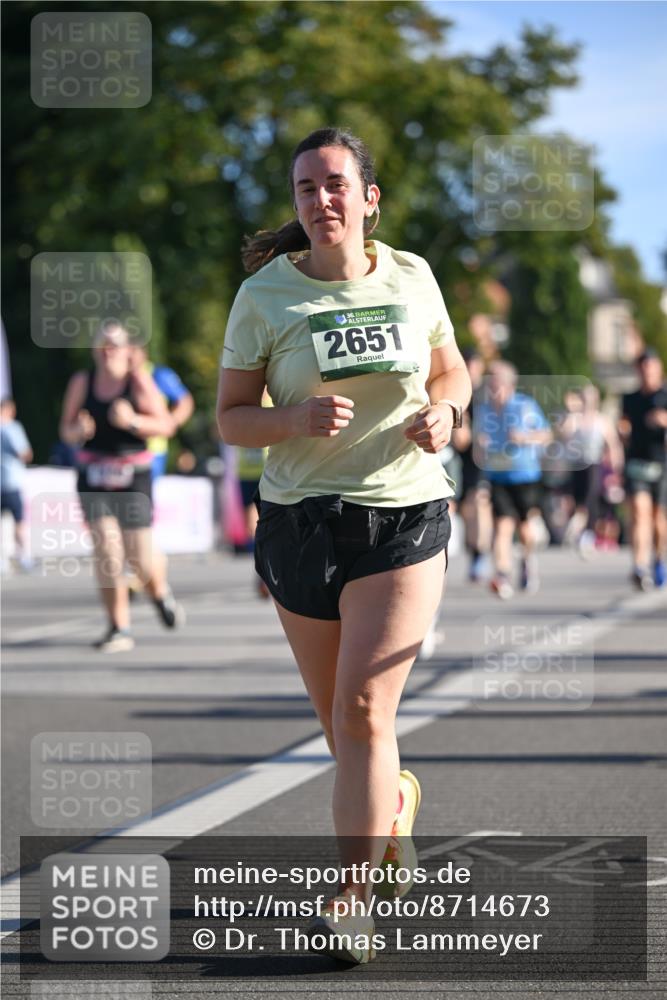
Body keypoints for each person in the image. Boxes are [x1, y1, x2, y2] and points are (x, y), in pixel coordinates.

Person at [217, 127, 471, 964]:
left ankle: (352, 896)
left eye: (334, 185)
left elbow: (450, 371)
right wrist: (288, 419)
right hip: (299, 521)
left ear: (368, 198)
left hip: (402, 514)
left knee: (365, 710)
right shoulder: (264, 295)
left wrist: (446, 411)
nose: (318, 200)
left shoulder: (412, 276)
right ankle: (392, 802)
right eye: (303, 188)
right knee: (342, 725)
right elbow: (228, 417)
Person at [59, 321, 185, 652]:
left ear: (128, 350)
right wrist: (78, 430)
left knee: (140, 559)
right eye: (102, 343)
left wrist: (132, 421)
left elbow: (166, 425)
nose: (107, 350)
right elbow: (66, 431)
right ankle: (119, 627)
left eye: (114, 344)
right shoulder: (82, 381)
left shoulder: (138, 382)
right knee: (107, 552)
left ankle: (158, 592)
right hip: (93, 474)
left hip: (133, 475)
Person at [475, 361, 552, 599]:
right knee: (502, 526)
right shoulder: (483, 409)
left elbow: (546, 435)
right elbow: (477, 442)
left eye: (496, 381)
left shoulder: (524, 406)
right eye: (490, 381)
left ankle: (528, 560)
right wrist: (480, 445)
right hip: (497, 475)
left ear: (509, 384)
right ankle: (503, 575)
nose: (492, 385)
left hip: (525, 475)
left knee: (525, 528)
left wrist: (525, 437)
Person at [619, 349, 667, 589]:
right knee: (639, 513)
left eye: (651, 367)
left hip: (662, 464)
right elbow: (624, 421)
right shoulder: (630, 398)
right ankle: (639, 565)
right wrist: (623, 428)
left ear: (658, 369)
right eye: (643, 368)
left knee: (658, 519)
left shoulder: (665, 394)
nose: (647, 372)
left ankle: (659, 557)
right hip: (636, 463)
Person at [559, 385, 624, 557]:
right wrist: (570, 412)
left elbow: (613, 444)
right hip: (576, 464)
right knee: (577, 498)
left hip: (594, 464)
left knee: (591, 496)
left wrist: (616, 470)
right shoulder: (575, 419)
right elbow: (563, 435)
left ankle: (588, 533)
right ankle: (579, 528)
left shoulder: (602, 420)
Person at [452, 348, 492, 581]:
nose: (471, 370)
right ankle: (472, 549)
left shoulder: (486, 393)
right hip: (457, 456)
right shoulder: (456, 391)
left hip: (481, 459)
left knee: (479, 503)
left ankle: (480, 554)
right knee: (463, 508)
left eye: (475, 366)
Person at [131, 345, 194, 479]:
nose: (129, 355)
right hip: (121, 450)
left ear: (144, 353)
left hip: (152, 450)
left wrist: (170, 423)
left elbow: (185, 402)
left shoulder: (158, 375)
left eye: (133, 350)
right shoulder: (116, 376)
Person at [0, 397, 33, 571]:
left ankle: (2, 561)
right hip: (11, 482)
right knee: (19, 522)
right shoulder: (12, 428)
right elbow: (24, 453)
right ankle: (24, 558)